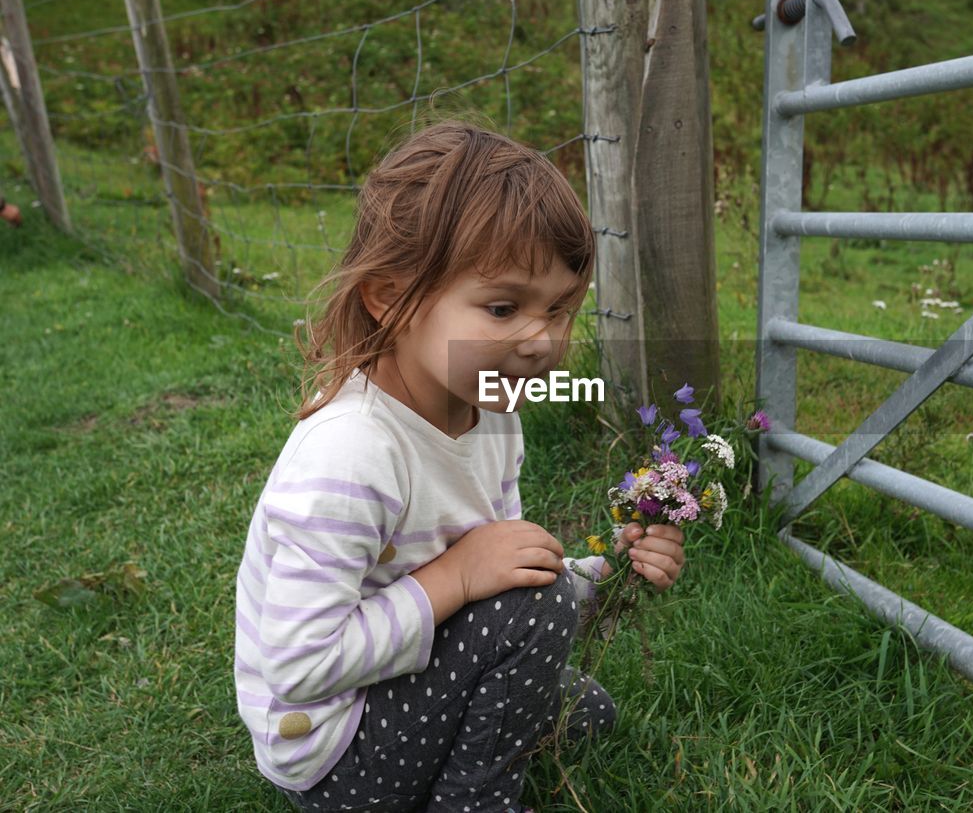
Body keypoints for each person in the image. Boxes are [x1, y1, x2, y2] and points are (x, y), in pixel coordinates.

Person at [234, 120, 686, 813]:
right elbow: (297, 666)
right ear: (389, 295)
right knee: (538, 623)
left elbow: (500, 574)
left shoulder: (492, 414)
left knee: (587, 709)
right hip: (333, 755)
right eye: (503, 307)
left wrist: (611, 570)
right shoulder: (351, 453)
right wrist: (455, 576)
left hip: (397, 697)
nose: (541, 341)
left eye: (560, 308)